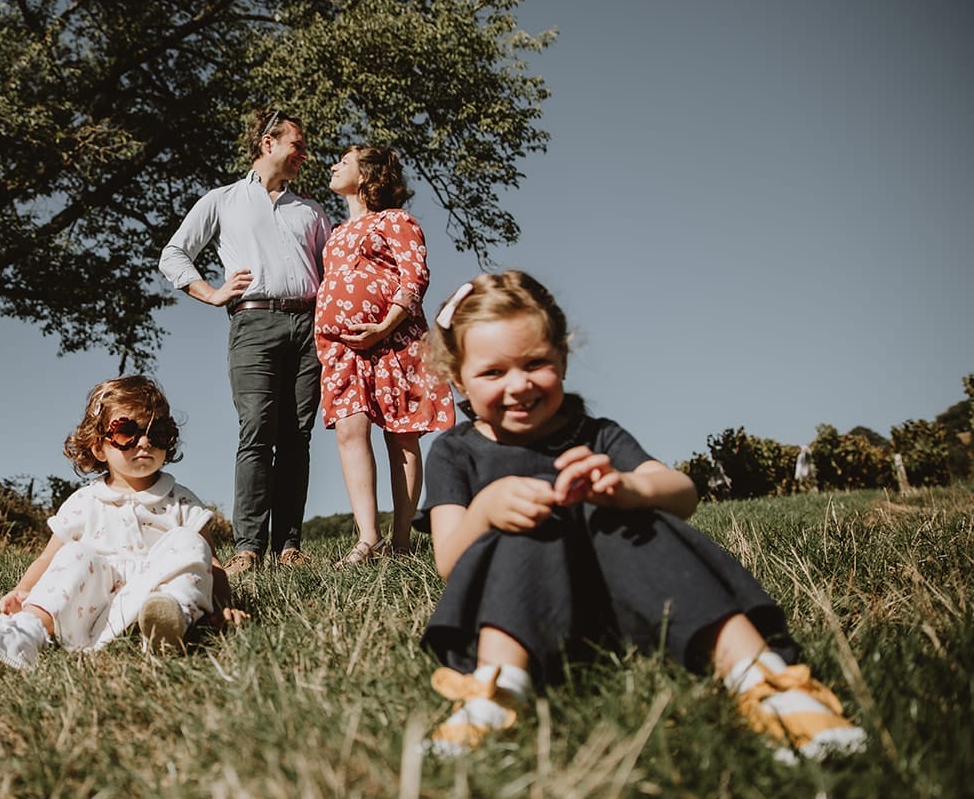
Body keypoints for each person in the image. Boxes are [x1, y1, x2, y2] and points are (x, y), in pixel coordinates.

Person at [414, 271, 867, 763]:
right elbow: (449, 561)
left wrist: (629, 489)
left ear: (562, 358)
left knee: (632, 517)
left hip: (627, 608)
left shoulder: (597, 435)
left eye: (535, 363)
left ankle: (763, 677)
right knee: (533, 519)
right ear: (457, 377)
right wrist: (486, 510)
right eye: (493, 373)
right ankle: (496, 692)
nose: (518, 384)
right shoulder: (455, 452)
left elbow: (683, 493)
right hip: (517, 619)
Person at [0, 375, 245, 670]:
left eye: (158, 432)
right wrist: (23, 590)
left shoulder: (181, 501)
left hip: (157, 603)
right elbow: (48, 559)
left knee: (189, 542)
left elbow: (211, 564)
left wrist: (223, 607)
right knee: (75, 554)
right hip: (91, 610)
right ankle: (22, 635)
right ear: (99, 447)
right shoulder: (84, 502)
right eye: (127, 432)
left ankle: (168, 629)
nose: (144, 442)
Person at [159, 109, 332, 576]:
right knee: (256, 429)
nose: (303, 154)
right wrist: (212, 293)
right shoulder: (223, 201)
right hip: (253, 324)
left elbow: (334, 273)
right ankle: (248, 547)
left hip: (309, 327)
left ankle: (289, 546)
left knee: (297, 436)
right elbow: (173, 254)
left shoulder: (312, 211)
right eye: (297, 145)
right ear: (268, 143)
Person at [315, 145, 454, 566]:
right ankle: (368, 538)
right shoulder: (335, 233)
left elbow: (415, 277)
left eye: (345, 160)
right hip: (343, 348)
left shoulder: (396, 220)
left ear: (367, 174)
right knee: (349, 431)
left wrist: (383, 326)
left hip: (394, 340)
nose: (334, 165)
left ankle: (402, 542)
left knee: (402, 434)